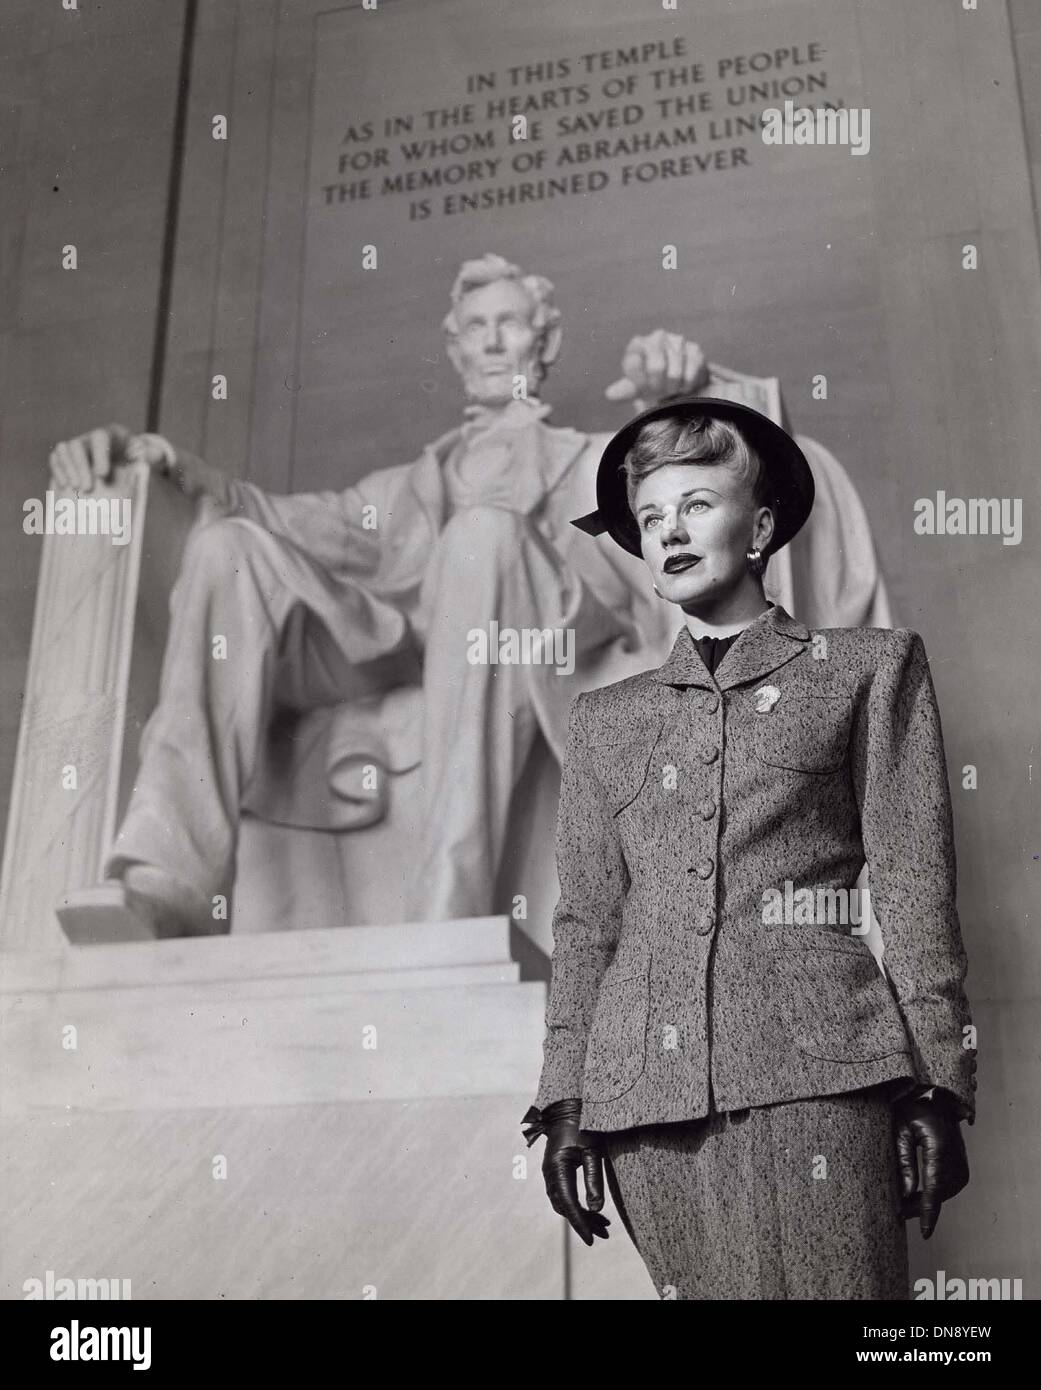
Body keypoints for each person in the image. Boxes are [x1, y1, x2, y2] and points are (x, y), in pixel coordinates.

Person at [49, 254, 890, 934]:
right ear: (454, 349)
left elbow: (724, 484)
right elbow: (277, 516)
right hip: (398, 642)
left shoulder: (594, 461)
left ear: (544, 344)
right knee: (227, 545)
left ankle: (443, 911)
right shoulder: (406, 488)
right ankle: (170, 878)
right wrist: (166, 463)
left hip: (537, 634)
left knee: (480, 536)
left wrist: (689, 390)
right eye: (475, 327)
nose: (492, 342)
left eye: (509, 324)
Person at [521, 397, 976, 1300]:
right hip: (642, 1103)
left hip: (824, 1076)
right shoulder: (606, 719)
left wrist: (937, 1085)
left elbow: (914, 887)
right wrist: (565, 1097)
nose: (668, 531)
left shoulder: (868, 668)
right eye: (651, 516)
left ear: (760, 527)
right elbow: (586, 926)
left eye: (696, 505)